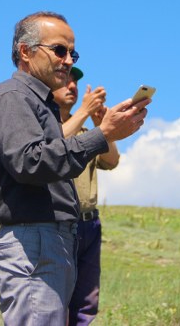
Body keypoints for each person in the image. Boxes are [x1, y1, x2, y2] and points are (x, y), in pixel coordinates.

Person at [0, 11, 150, 325]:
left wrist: (103, 133)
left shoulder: (40, 103)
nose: (68, 60)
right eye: (59, 50)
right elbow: (29, 163)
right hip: (34, 241)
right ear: (26, 51)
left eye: (73, 52)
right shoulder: (13, 97)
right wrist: (103, 133)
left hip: (52, 239)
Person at [52, 67, 120, 325]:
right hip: (60, 224)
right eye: (66, 82)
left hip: (89, 223)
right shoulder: (49, 125)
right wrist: (83, 113)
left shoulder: (83, 131)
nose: (72, 87)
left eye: (75, 83)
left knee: (86, 301)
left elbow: (112, 161)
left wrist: (101, 128)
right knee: (58, 299)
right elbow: (52, 145)